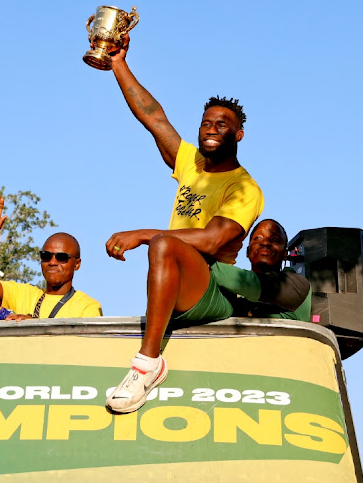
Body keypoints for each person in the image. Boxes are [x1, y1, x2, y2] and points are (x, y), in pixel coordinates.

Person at [102, 35, 264, 413]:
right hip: (181, 285)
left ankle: (148, 366)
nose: (211, 129)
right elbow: (153, 116)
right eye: (206, 122)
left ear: (238, 135)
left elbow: (210, 240)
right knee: (164, 247)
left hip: (215, 293)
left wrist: (142, 234)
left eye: (222, 125)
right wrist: (117, 63)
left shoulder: (245, 188)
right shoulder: (192, 164)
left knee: (163, 244)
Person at [0, 194, 102, 320]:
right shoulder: (23, 294)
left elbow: (83, 346)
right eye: (46, 256)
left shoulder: (87, 307)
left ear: (77, 264)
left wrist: (34, 325)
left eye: (61, 257)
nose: (52, 262)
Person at [214, 219, 311, 322]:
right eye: (258, 238)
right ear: (247, 251)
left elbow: (250, 283)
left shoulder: (298, 285)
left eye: (274, 239)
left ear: (285, 254)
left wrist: (200, 263)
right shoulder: (230, 291)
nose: (265, 242)